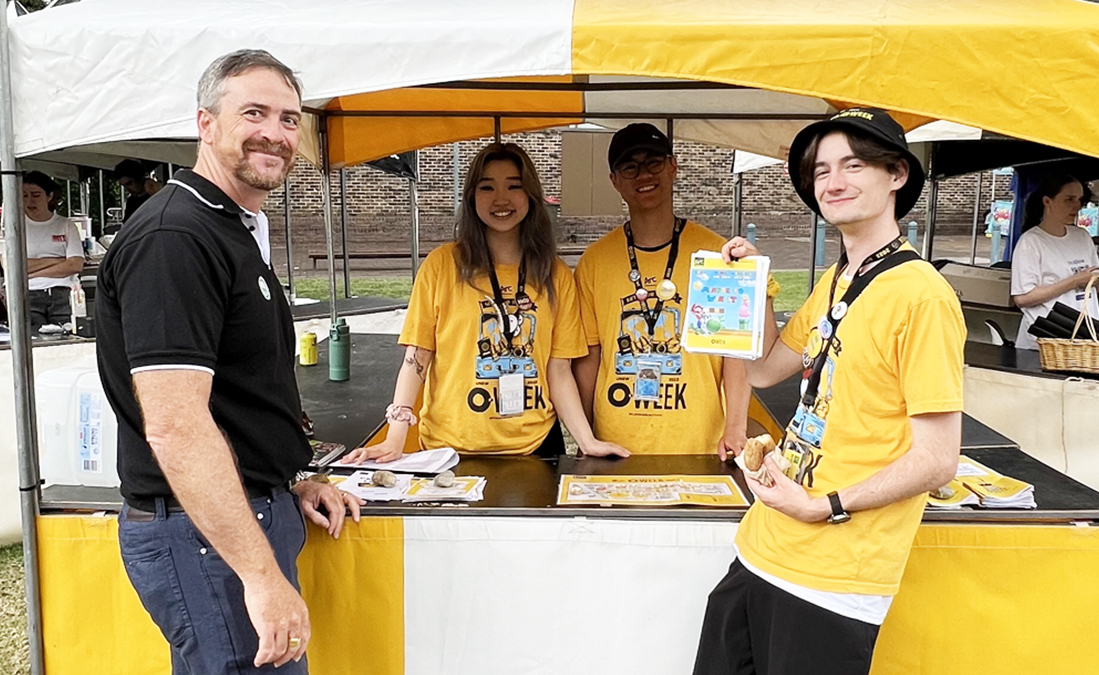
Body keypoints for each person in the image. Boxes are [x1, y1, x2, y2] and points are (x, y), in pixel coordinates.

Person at [96, 50, 362, 674]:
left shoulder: (231, 227)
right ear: (206, 123)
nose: (276, 132)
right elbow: (176, 425)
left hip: (234, 521)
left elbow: (237, 392)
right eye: (255, 113)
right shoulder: (176, 238)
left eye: (291, 119)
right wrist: (260, 576)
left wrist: (288, 477)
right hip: (205, 538)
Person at [694, 108, 965, 675]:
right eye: (821, 171)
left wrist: (824, 505)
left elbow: (938, 460)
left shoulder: (923, 297)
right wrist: (753, 286)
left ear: (896, 175)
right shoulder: (836, 279)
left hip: (837, 572)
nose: (834, 181)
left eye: (854, 164)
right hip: (764, 544)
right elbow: (767, 369)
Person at [341, 142, 628, 463]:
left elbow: (558, 370)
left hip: (535, 449)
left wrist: (586, 441)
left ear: (531, 196)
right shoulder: (442, 265)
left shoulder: (554, 274)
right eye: (487, 187)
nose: (501, 199)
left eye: (514, 186)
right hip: (450, 448)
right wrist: (396, 436)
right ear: (471, 197)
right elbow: (417, 356)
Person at [572, 123, 750, 457]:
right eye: (630, 167)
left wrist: (736, 427)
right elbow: (589, 356)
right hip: (617, 444)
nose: (644, 175)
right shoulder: (595, 262)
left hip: (701, 444)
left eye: (653, 162)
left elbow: (734, 353)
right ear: (615, 180)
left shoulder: (716, 255)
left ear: (672, 166)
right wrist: (586, 434)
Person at [1011, 174, 1099, 350]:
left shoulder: (1082, 236)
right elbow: (1022, 298)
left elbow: (1093, 285)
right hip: (1045, 340)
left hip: (1085, 336)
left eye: (1079, 200)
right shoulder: (1031, 242)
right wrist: (1073, 281)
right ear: (1047, 201)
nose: (1076, 206)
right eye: (1069, 199)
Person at [22, 171, 84, 332]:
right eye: (24, 195)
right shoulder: (14, 226)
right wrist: (59, 260)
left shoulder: (66, 225)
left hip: (62, 293)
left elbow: (75, 265)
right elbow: (13, 266)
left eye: (36, 195)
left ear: (49, 196)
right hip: (27, 294)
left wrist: (32, 273)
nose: (30, 201)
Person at [111, 159, 164, 224]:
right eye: (124, 186)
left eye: (129, 183)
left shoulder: (156, 195)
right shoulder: (131, 202)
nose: (128, 189)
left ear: (139, 178)